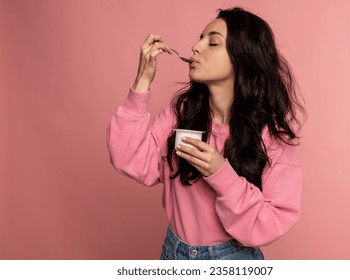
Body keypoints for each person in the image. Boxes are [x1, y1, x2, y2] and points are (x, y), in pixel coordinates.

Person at [106, 7, 305, 260]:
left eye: (212, 42)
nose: (196, 47)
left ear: (242, 57)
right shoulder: (182, 113)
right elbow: (131, 160)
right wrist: (142, 82)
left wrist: (220, 174)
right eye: (200, 39)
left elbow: (272, 221)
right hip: (173, 253)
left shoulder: (272, 136)